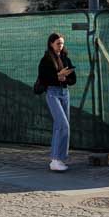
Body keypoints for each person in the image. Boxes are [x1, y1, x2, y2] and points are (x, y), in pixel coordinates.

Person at [34, 32, 77, 172]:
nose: (60, 46)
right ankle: (55, 159)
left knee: (62, 126)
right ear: (51, 44)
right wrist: (57, 77)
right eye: (58, 43)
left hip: (65, 93)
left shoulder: (66, 58)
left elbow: (73, 79)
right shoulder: (46, 60)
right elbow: (44, 79)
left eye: (62, 43)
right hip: (52, 93)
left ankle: (58, 159)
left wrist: (65, 79)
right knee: (62, 124)